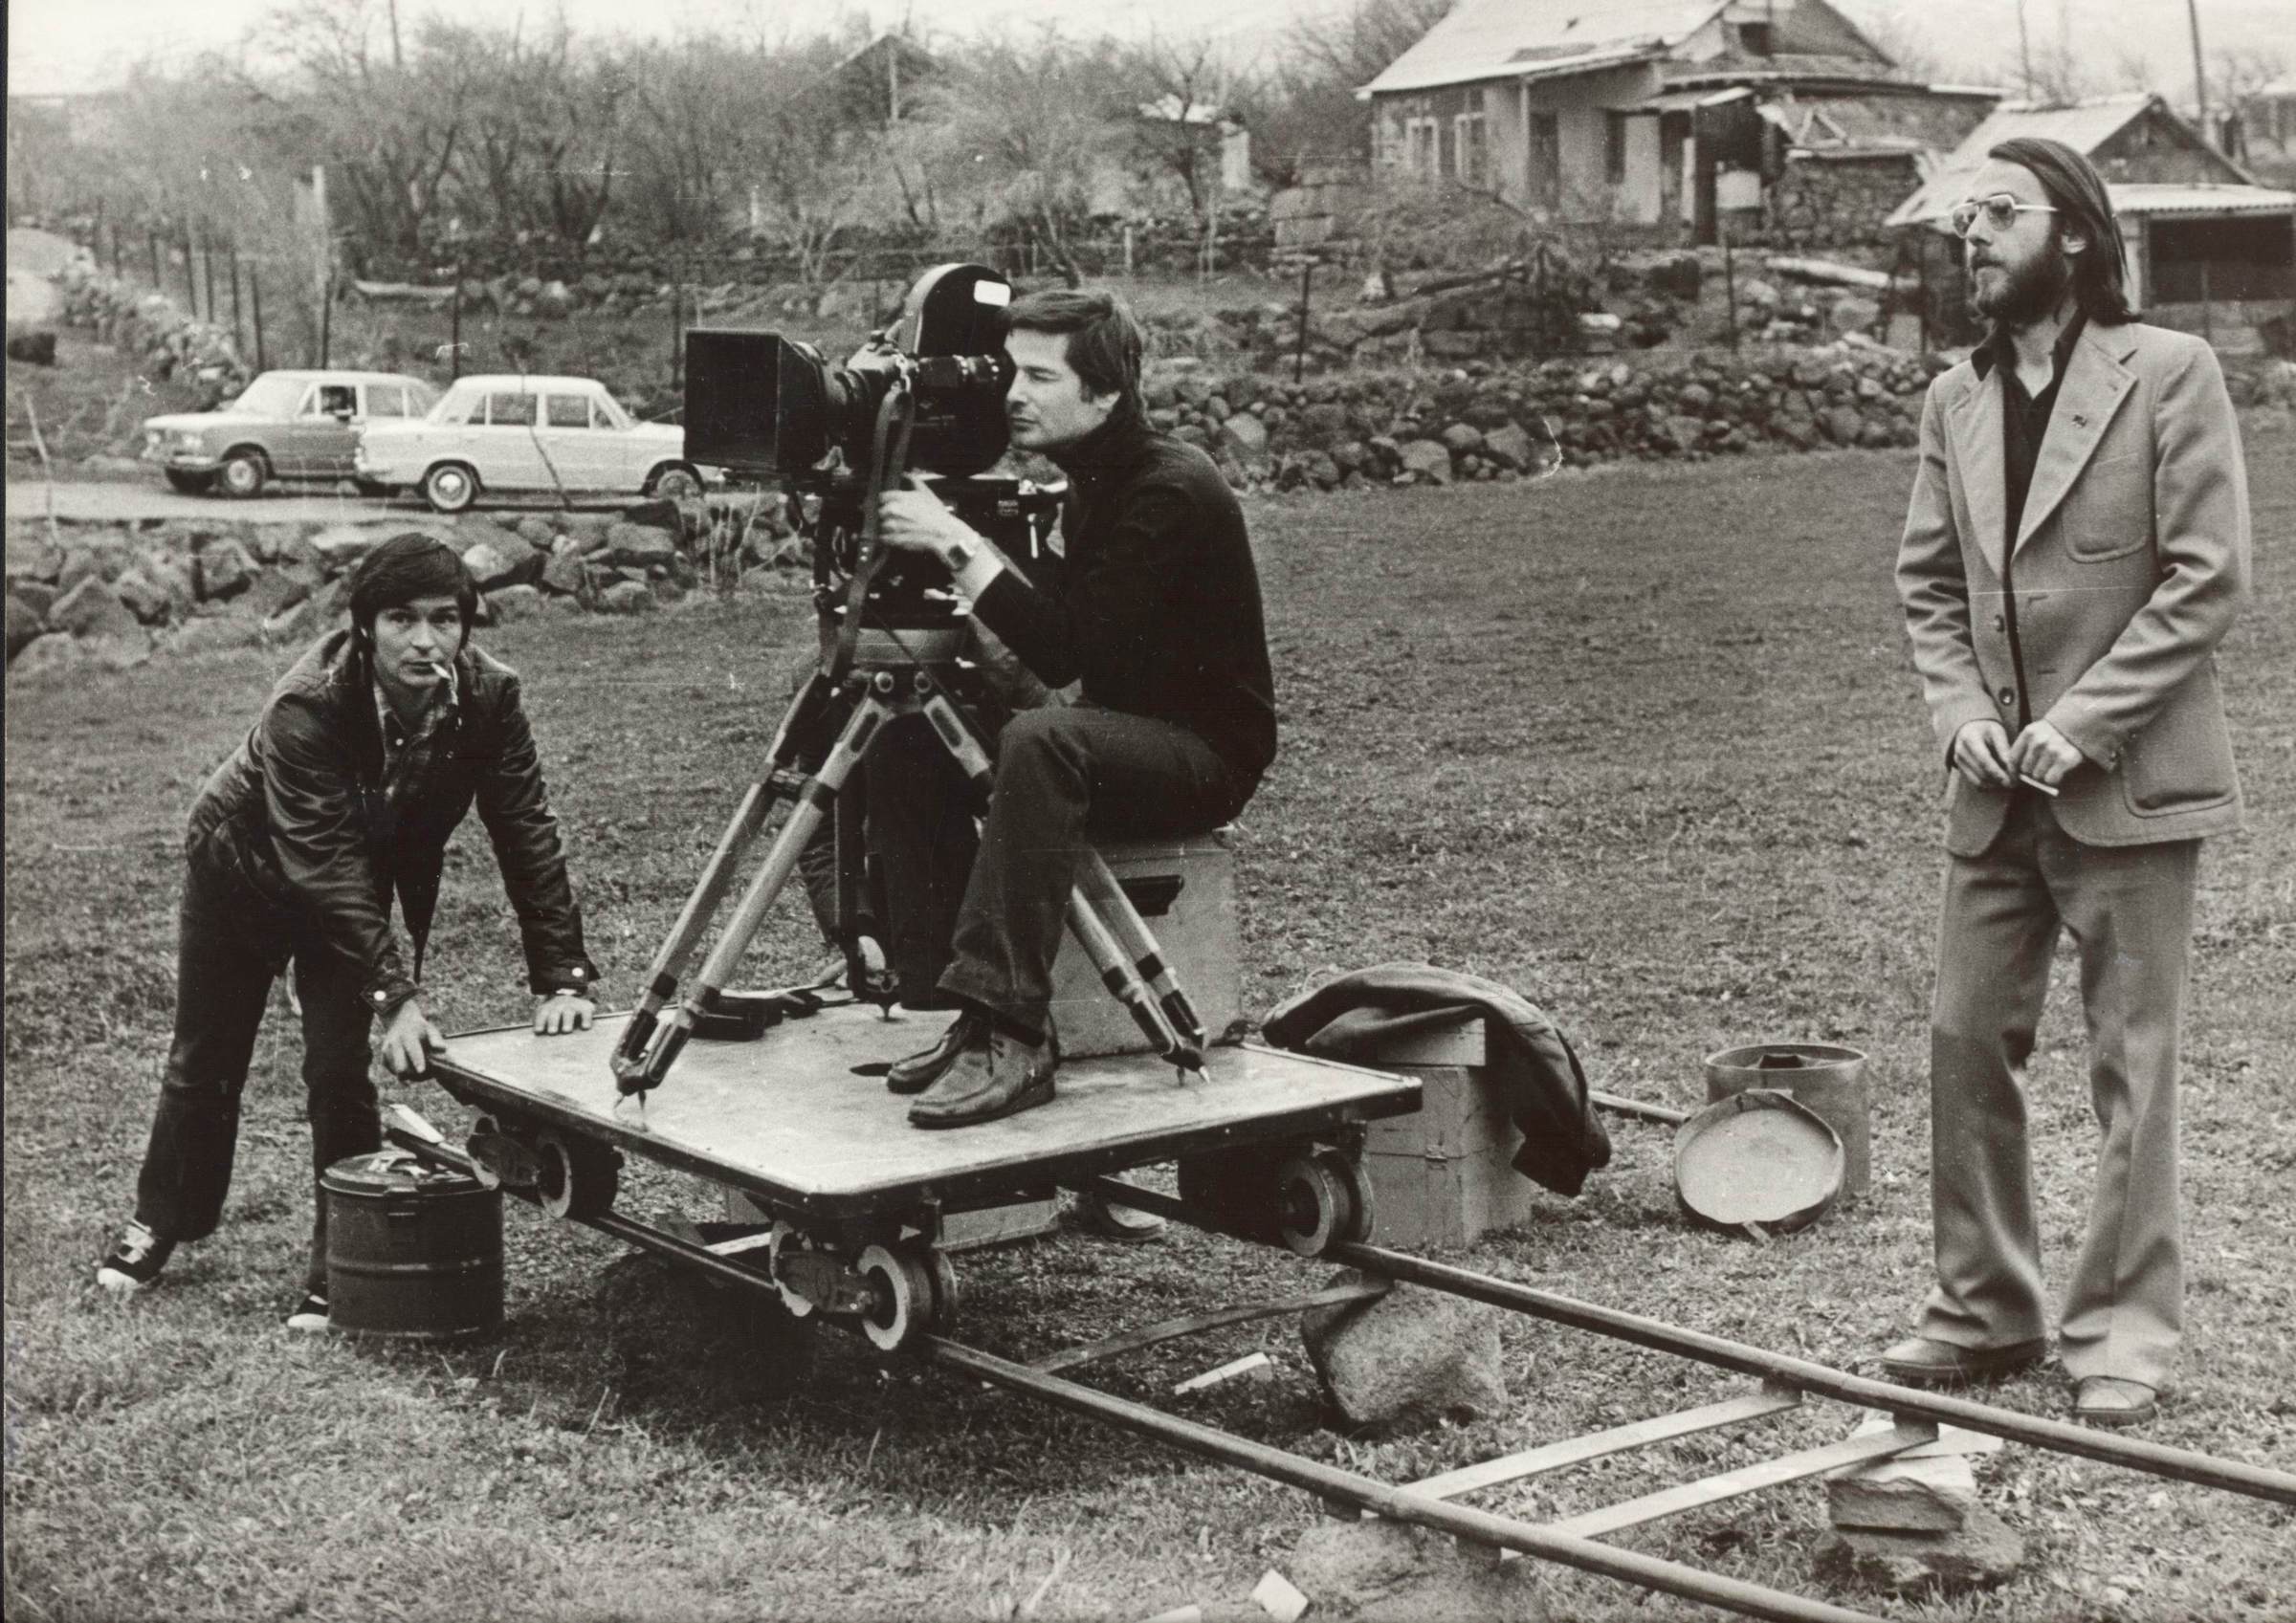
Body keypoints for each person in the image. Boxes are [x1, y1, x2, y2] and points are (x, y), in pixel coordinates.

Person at [1888, 138, 2250, 1427]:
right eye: (1963, 217)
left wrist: (2084, 723)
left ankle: (2120, 1334)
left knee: (2130, 1063)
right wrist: (1959, 716)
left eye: (2000, 211)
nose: (1971, 235)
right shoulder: (1956, 398)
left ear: (2078, 234)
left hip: (2129, 784)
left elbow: (2207, 576)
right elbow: (1929, 583)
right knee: (1962, 1036)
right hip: (1994, 790)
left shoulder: (2172, 372)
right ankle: (1986, 1307)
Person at [97, 534, 603, 1327]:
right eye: (401, 619)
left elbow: (525, 827)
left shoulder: (491, 697)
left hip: (345, 884)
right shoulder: (307, 704)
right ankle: (160, 1219)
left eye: (444, 619)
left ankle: (340, 1260)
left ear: (467, 626)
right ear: (365, 626)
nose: (425, 640)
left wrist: (561, 975)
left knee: (338, 1071)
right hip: (243, 872)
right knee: (205, 1060)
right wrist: (395, 996)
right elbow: (323, 860)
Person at [872, 288, 1277, 1128]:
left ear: (1104, 392)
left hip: (1205, 755)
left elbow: (1066, 648)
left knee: (1042, 739)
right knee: (925, 726)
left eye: (1038, 377)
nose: (1012, 395)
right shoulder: (1096, 477)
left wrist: (953, 539)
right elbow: (1066, 622)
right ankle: (968, 1008)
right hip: (1124, 731)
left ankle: (1018, 1034)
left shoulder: (1168, 489)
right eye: (1009, 373)